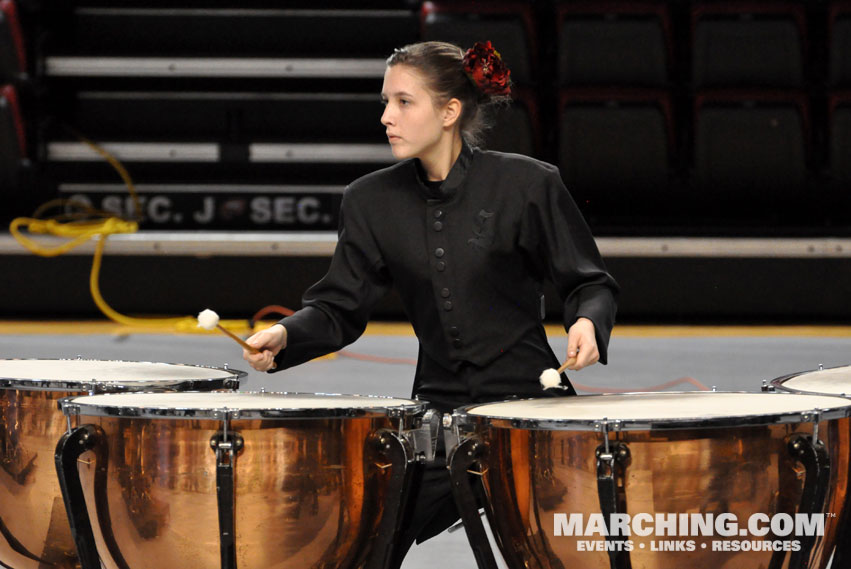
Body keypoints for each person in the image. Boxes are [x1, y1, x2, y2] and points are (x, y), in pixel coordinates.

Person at [244, 40, 618, 567]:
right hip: (435, 415)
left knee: (571, 555)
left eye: (402, 102)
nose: (385, 118)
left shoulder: (528, 184)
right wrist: (287, 336)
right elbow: (337, 308)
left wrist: (586, 321)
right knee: (361, 544)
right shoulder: (369, 201)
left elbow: (590, 282)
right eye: (385, 102)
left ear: (449, 112)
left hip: (533, 411)